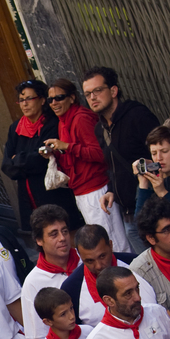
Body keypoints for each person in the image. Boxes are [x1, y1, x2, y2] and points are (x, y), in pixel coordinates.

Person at [44, 78, 129, 251]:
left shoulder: (81, 118)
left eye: (59, 97)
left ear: (72, 98)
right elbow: (73, 156)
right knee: (104, 244)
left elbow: (100, 154)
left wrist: (67, 146)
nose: (54, 103)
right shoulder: (63, 121)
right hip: (82, 191)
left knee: (114, 245)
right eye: (50, 99)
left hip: (96, 189)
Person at [82, 66, 160, 254]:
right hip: (128, 215)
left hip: (153, 209)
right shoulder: (99, 129)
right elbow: (113, 167)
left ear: (114, 91)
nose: (92, 97)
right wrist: (111, 191)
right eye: (87, 94)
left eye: (98, 91)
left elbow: (162, 157)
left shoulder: (137, 116)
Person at [1, 79, 82, 232]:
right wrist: (30, 158)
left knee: (64, 234)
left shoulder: (52, 124)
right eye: (21, 100)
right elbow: (6, 166)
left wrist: (17, 160)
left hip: (53, 194)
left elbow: (42, 159)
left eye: (29, 99)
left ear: (42, 100)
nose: (25, 104)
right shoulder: (15, 128)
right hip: (27, 197)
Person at [59, 224, 156, 327]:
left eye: (102, 256)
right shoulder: (71, 288)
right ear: (79, 255)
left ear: (110, 245)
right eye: (89, 261)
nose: (98, 266)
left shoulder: (137, 264)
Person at [21, 205, 78, 339]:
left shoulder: (86, 260)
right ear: (39, 240)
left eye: (64, 231)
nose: (62, 238)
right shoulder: (33, 283)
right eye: (54, 234)